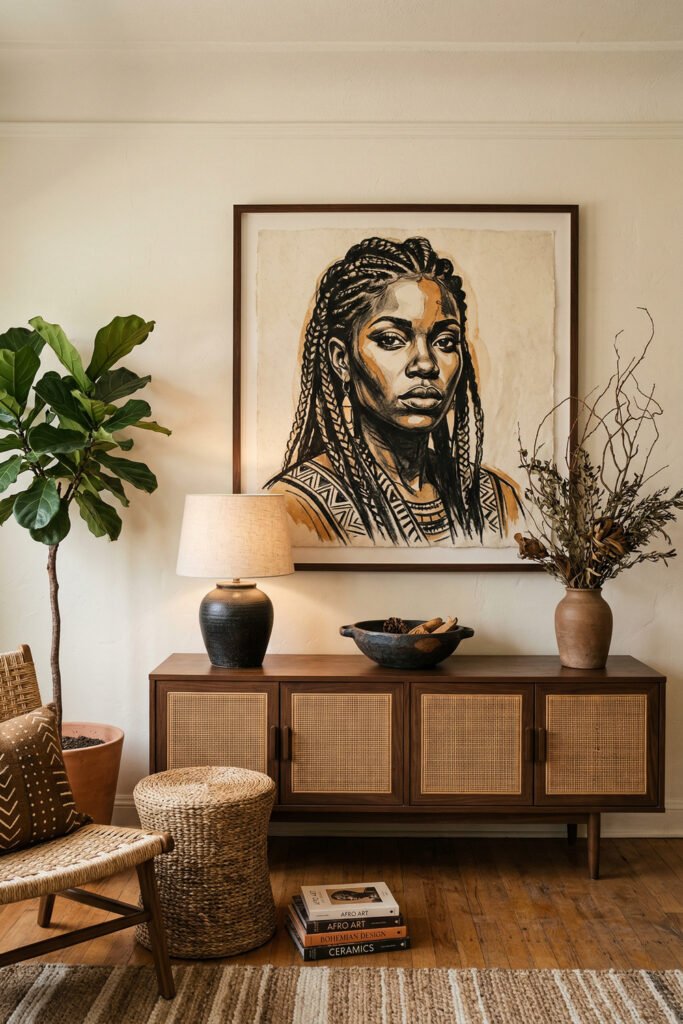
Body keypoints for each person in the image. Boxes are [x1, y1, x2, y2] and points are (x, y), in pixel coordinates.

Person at [266, 235, 522, 545]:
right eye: (391, 340)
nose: (426, 364)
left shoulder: (495, 497)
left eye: (445, 342)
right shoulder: (295, 504)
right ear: (341, 359)